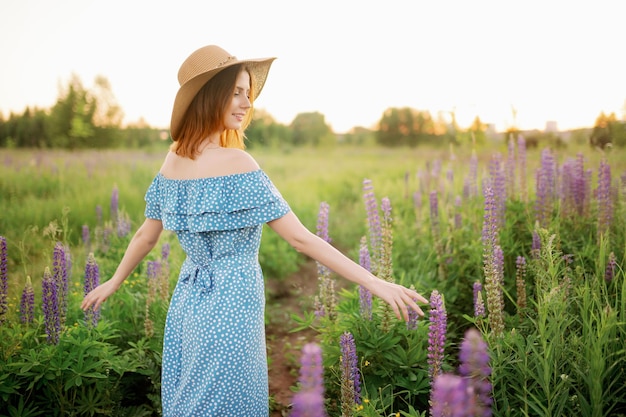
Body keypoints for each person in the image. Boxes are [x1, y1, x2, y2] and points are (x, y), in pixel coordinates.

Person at [81, 44, 428, 417]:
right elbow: (299, 238)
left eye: (249, 94)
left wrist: (114, 281)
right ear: (209, 96)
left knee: (192, 395)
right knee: (230, 398)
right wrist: (375, 283)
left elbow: (145, 236)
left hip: (188, 300)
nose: (247, 103)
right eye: (236, 93)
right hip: (233, 297)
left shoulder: (173, 159)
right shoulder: (238, 162)